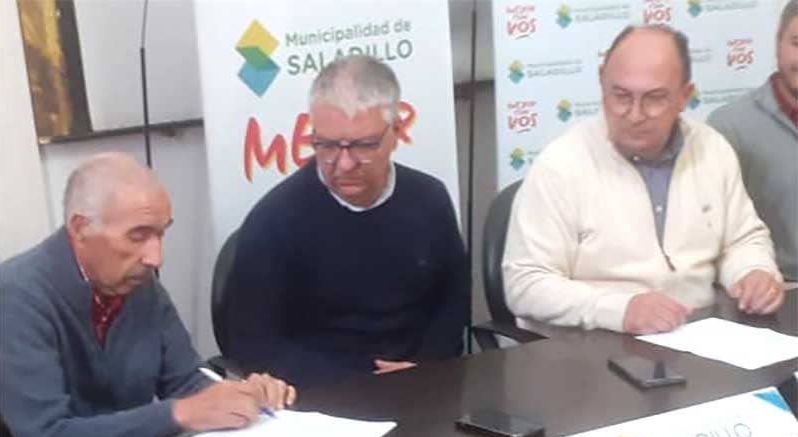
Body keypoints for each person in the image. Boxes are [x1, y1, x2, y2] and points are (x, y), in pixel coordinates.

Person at [0, 153, 296, 437]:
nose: (156, 257)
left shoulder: (140, 287)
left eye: (161, 234)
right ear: (80, 228)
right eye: (137, 236)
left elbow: (185, 380)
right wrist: (181, 413)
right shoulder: (16, 297)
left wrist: (240, 393)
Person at [502, 25, 784, 335]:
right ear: (602, 84)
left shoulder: (711, 149)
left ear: (685, 96)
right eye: (621, 96)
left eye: (654, 98)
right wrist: (619, 309)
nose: (635, 114)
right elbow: (525, 284)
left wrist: (752, 271)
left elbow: (742, 239)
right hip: (590, 348)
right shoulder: (561, 164)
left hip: (696, 337)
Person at [226, 55, 468, 387]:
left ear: (396, 133)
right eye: (326, 145)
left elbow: (453, 299)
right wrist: (357, 386)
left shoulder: (429, 199)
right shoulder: (275, 220)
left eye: (363, 146)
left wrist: (425, 366)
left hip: (419, 382)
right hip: (322, 392)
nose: (343, 164)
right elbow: (251, 341)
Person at [708, 0, 798, 285]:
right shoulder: (729, 126)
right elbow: (715, 232)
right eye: (797, 43)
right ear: (777, 44)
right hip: (775, 291)